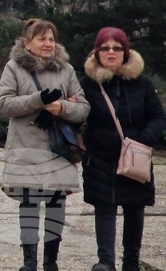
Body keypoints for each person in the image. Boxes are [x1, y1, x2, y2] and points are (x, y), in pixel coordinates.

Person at [0, 18, 89, 271]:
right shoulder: (14, 68)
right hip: (26, 146)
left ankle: (51, 262)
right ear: (27, 43)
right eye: (42, 39)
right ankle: (29, 262)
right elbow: (4, 104)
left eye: (51, 39)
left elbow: (83, 109)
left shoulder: (66, 70)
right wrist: (37, 99)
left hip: (58, 148)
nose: (48, 43)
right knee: (29, 203)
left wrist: (62, 107)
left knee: (56, 204)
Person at [79, 27, 166, 271]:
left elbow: (159, 117)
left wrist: (143, 139)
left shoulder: (142, 84)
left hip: (135, 157)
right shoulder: (88, 84)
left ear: (125, 52)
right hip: (101, 157)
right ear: (97, 52)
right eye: (105, 48)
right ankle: (106, 262)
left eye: (117, 48)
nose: (111, 52)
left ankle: (131, 263)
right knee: (104, 209)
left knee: (134, 209)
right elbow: (78, 115)